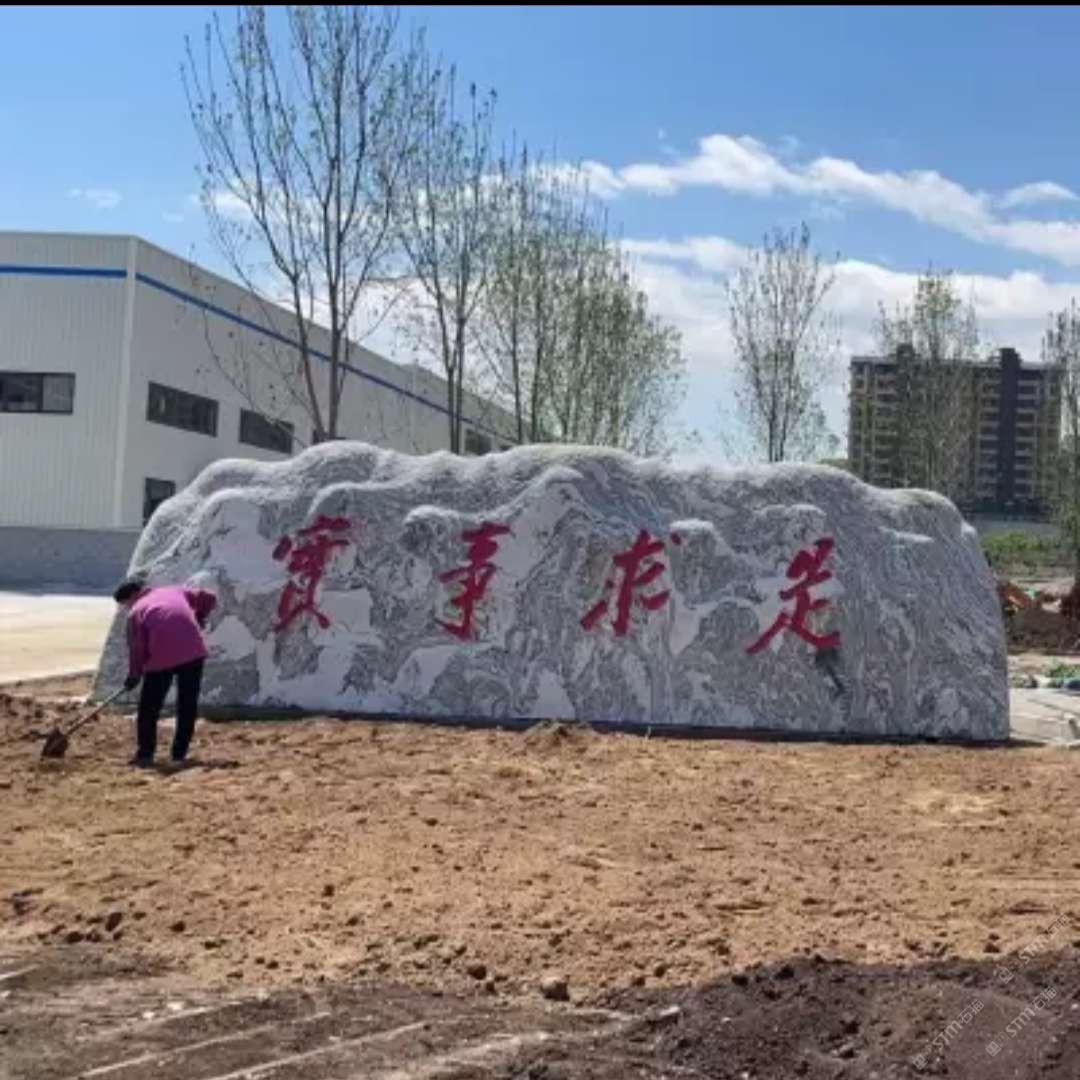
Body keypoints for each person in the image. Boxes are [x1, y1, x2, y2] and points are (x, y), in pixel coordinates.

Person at [113, 578, 217, 768]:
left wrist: (134, 674)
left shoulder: (137, 611)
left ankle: (145, 755)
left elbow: (137, 648)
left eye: (126, 604)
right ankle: (179, 755)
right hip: (193, 652)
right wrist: (199, 617)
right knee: (187, 705)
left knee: (149, 708)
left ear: (133, 595)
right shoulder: (176, 591)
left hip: (161, 658)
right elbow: (209, 598)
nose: (128, 608)